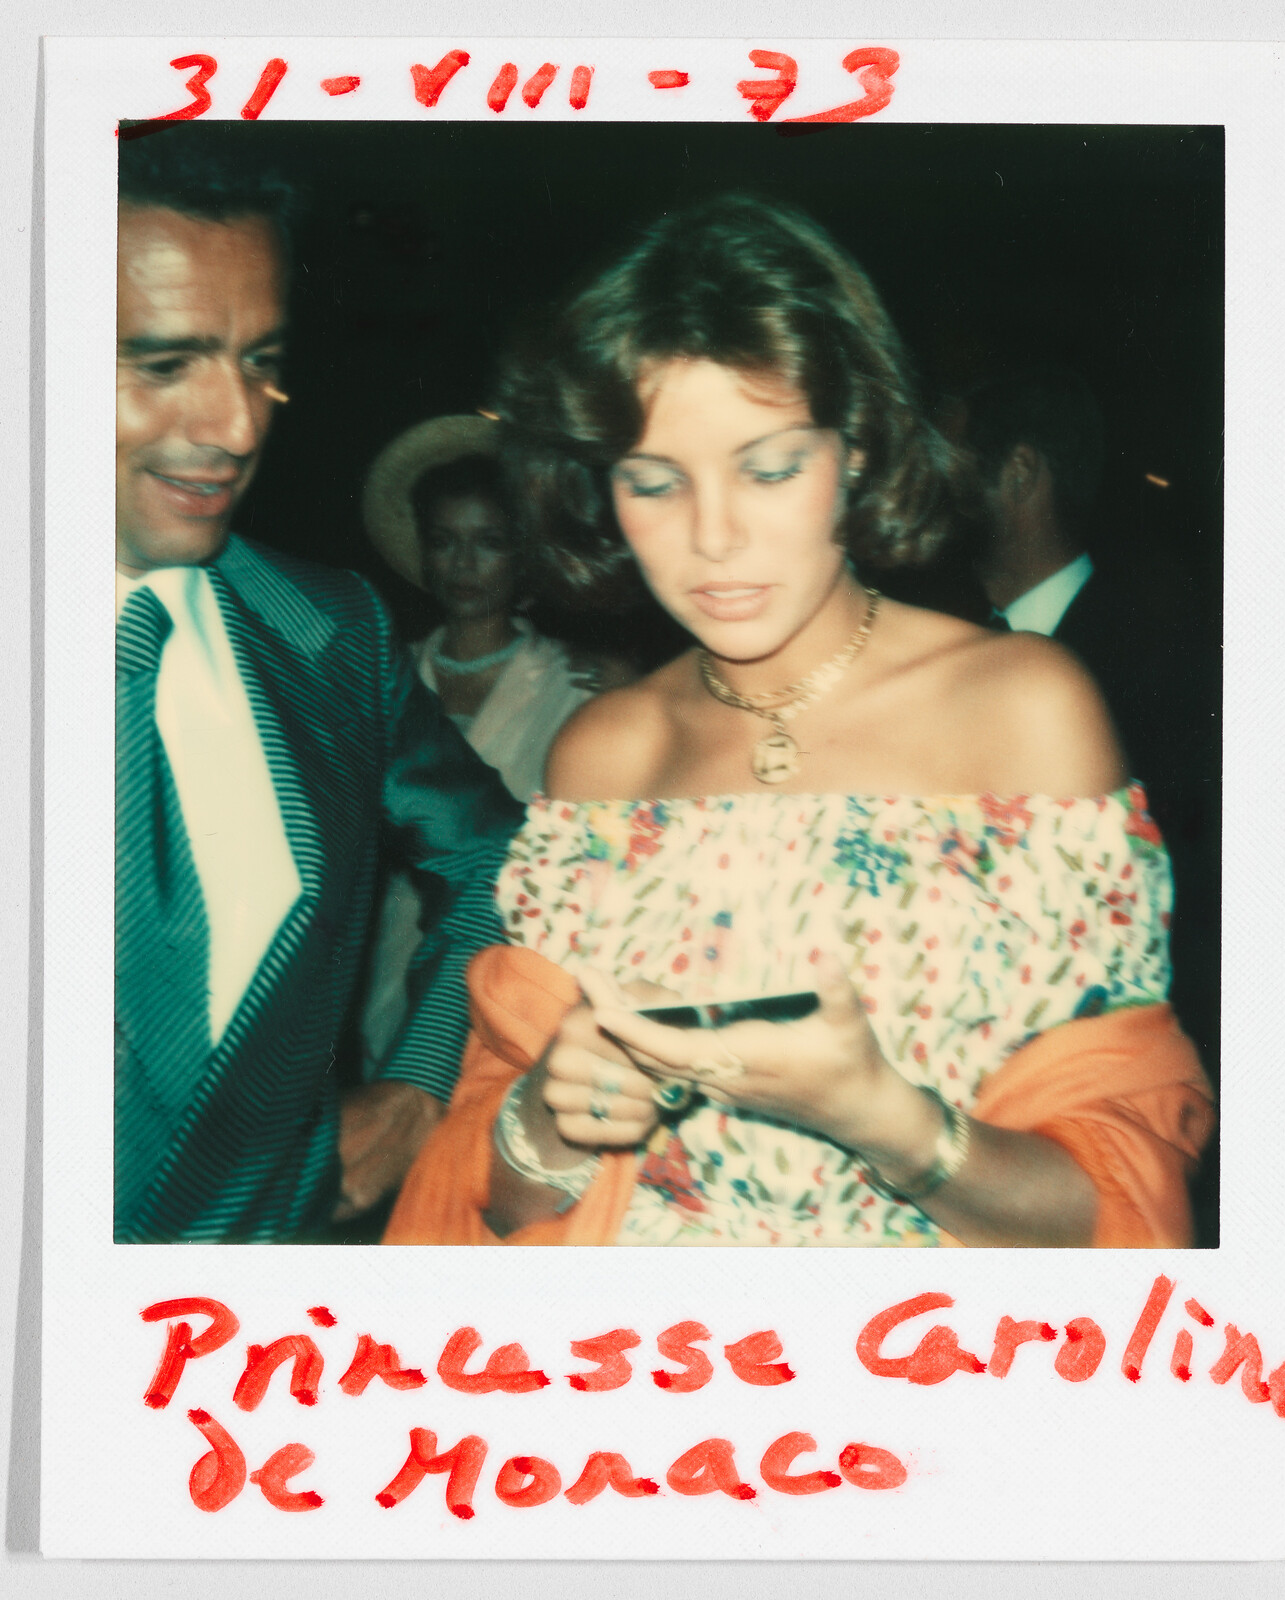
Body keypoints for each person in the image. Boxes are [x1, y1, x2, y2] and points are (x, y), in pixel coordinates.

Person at [386, 197, 1214, 1250]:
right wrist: (549, 1116)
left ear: (857, 448)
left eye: (769, 468)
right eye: (654, 483)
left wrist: (891, 1122)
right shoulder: (605, 750)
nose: (715, 537)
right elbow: (498, 1203)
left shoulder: (1022, 710)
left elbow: (1128, 1212)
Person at [114, 133, 523, 1242]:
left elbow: (503, 857)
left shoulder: (330, 634)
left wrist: (419, 1081)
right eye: (162, 364)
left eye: (260, 361)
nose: (237, 427)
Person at [962, 366, 1221, 1238]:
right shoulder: (941, 655)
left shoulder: (1169, 664)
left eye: (944, 454)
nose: (911, 480)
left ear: (1018, 473)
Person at [357, 417, 632, 1069]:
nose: (464, 564)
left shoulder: (575, 682)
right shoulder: (384, 674)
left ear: (524, 555)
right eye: (444, 541)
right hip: (387, 965)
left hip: (525, 970)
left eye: (489, 542)